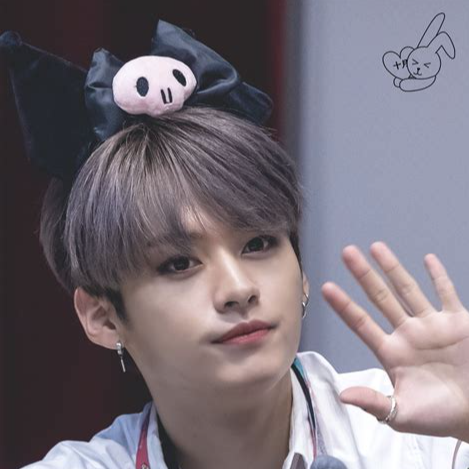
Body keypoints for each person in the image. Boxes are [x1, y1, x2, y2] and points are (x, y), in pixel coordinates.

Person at [2, 20, 469, 469]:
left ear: (302, 273)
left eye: (259, 243)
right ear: (104, 317)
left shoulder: (421, 438)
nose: (239, 288)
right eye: (179, 263)